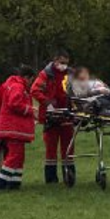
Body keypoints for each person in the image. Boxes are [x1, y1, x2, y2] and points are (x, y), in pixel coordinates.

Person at [0, 65, 37, 192]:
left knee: (19, 157)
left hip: (14, 128)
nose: (31, 83)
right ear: (26, 77)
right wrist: (31, 110)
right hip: (13, 129)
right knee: (14, 156)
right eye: (31, 80)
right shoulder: (17, 87)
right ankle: (0, 184)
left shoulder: (15, 85)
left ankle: (14, 183)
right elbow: (15, 103)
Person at [31, 51, 75, 186]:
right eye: (62, 62)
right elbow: (35, 90)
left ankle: (69, 177)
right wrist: (47, 102)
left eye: (66, 63)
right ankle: (51, 179)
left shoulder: (71, 74)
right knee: (51, 149)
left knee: (68, 148)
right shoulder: (46, 74)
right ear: (55, 61)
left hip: (67, 114)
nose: (64, 66)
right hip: (51, 116)